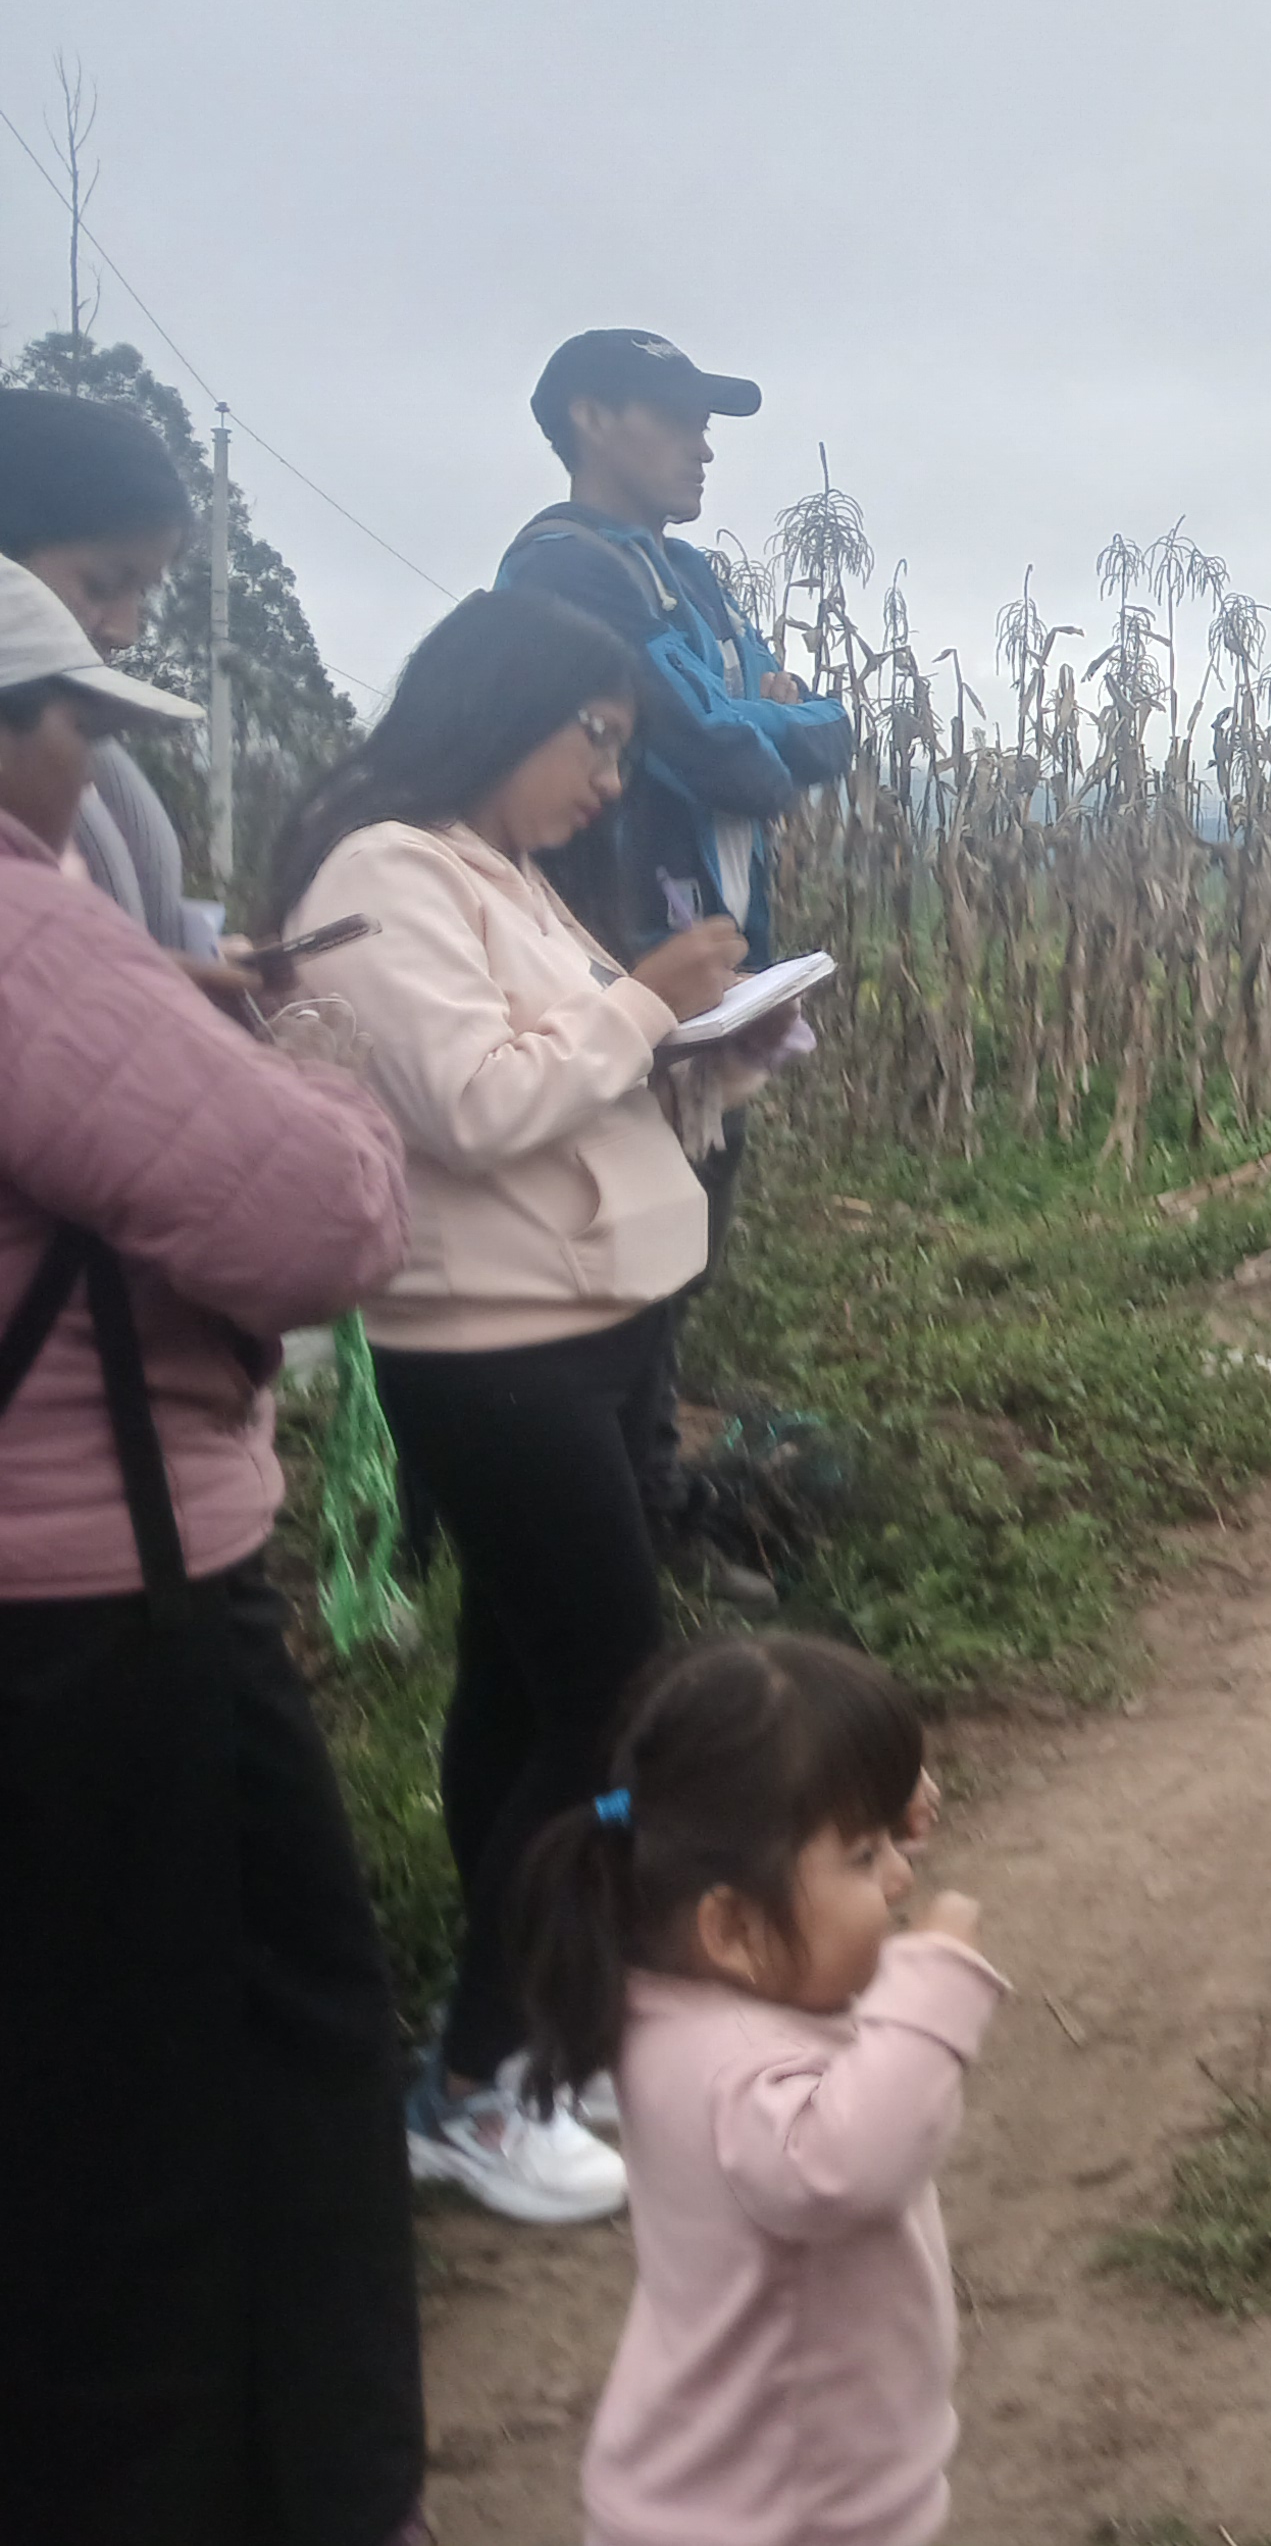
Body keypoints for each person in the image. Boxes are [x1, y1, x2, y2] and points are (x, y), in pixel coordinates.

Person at [0, 561, 429, 2543]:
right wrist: (311, 1058)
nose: (95, 773)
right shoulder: (28, 933)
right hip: (96, 1613)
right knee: (210, 2091)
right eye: (79, 723)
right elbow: (314, 1223)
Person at [268, 588, 751, 2224]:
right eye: (594, 740)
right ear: (495, 707)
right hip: (491, 1348)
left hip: (591, 1320)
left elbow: (568, 1071)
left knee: (522, 1694)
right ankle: (478, 2084)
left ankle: (547, 2015)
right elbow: (477, 1102)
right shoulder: (381, 874)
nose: (610, 782)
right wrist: (647, 1001)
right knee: (611, 1703)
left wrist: (704, 1048)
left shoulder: (501, 872)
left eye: (621, 749)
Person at [497, 329, 848, 1605]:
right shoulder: (564, 571)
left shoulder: (683, 576)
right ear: (592, 418)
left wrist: (772, 716)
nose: (705, 446)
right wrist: (776, 718)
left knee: (684, 1230)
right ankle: (621, 1529)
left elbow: (789, 717)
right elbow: (717, 739)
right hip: (617, 951)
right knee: (629, 1241)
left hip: (713, 965)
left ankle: (644, 1499)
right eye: (679, 416)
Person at [513, 1633, 1003, 2546]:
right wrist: (935, 1974)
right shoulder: (735, 2067)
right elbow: (847, 2165)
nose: (902, 1877)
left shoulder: (673, 1999)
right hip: (773, 2518)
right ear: (734, 1928)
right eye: (864, 1856)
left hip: (738, 2500)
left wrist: (862, 1802)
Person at [0, 387, 264, 1008]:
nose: (125, 630)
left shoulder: (96, 764)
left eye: (141, 592)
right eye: (101, 585)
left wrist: (195, 960)